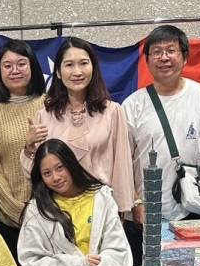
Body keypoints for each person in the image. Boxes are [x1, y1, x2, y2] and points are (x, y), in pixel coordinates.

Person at [122, 25, 200, 225]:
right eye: (156, 52)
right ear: (147, 60)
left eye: (171, 50)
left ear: (184, 57)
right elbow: (122, 160)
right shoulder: (133, 105)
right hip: (146, 211)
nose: (164, 58)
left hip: (194, 207)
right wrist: (136, 202)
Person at [21, 37, 140, 220]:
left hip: (101, 208)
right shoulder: (44, 116)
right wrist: (29, 146)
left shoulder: (112, 111)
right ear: (59, 72)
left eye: (83, 63)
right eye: (69, 65)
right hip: (59, 210)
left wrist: (120, 211)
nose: (77, 71)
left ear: (93, 67)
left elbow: (121, 165)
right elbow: (36, 173)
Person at [18, 139, 132, 266]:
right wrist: (76, 265)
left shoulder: (102, 197)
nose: (56, 177)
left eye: (60, 168)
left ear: (70, 164)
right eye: (47, 173)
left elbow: (118, 249)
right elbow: (31, 259)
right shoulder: (36, 209)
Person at [0, 40, 46, 259]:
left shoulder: (52, 104)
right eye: (7, 66)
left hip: (52, 215)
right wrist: (18, 211)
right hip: (9, 220)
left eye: (21, 63)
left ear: (33, 67)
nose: (14, 70)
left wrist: (46, 211)